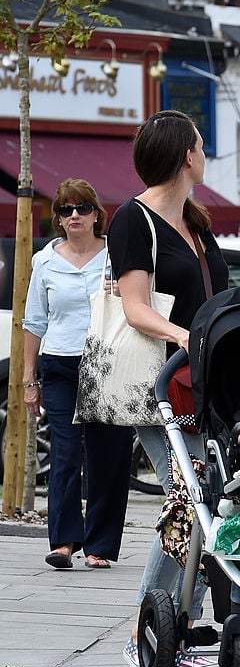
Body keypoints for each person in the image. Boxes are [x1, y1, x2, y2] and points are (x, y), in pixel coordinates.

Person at [107, 110, 229, 667]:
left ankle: (178, 628)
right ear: (187, 156)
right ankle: (147, 633)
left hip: (203, 382)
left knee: (210, 497)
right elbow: (134, 307)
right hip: (160, 384)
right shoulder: (133, 219)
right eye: (201, 145)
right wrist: (190, 337)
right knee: (190, 496)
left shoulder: (196, 223)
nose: (205, 154)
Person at [23, 179, 135, 571]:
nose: (74, 216)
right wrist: (28, 380)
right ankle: (65, 542)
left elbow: (136, 305)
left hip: (107, 363)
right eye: (65, 210)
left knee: (108, 457)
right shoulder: (44, 260)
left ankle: (100, 545)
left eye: (82, 208)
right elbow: (34, 321)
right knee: (66, 455)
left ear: (95, 215)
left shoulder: (114, 257)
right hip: (59, 365)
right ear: (57, 217)